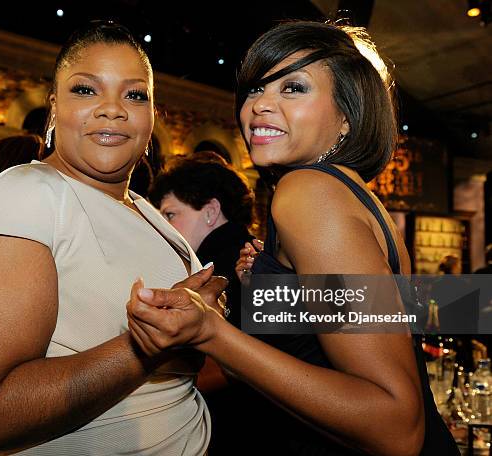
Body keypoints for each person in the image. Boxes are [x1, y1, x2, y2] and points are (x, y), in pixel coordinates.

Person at [127, 21, 459, 455]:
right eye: (254, 89)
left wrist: (211, 332)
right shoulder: (351, 194)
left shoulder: (307, 192)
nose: (260, 105)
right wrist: (275, 295)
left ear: (346, 115)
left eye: (293, 88)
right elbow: (376, 324)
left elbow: (396, 426)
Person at [0, 23, 223, 455]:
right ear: (53, 108)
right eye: (86, 90)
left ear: (151, 116)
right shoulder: (28, 196)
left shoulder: (146, 210)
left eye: (135, 94)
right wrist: (147, 346)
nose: (112, 109)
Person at [149, 153, 256, 453]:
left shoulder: (224, 268)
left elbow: (236, 367)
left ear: (210, 211)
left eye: (170, 215)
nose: (163, 227)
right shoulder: (240, 256)